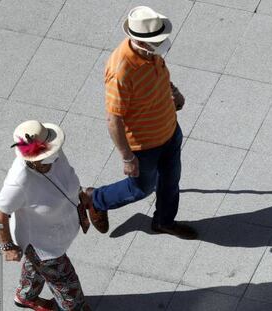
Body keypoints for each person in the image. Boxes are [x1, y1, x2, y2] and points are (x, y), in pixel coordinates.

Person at [83, 6, 197, 240]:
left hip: (169, 130)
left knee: (170, 180)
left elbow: (162, 74)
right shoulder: (121, 70)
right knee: (140, 188)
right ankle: (95, 200)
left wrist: (174, 92)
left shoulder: (150, 53)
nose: (160, 47)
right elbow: (113, 119)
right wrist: (127, 157)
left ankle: (164, 222)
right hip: (144, 146)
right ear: (140, 41)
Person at [0, 120, 91, 311]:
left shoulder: (54, 154)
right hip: (43, 246)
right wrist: (7, 245)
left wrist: (81, 196)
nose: (55, 152)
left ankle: (25, 296)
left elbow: (66, 179)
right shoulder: (19, 181)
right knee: (68, 288)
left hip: (59, 230)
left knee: (35, 267)